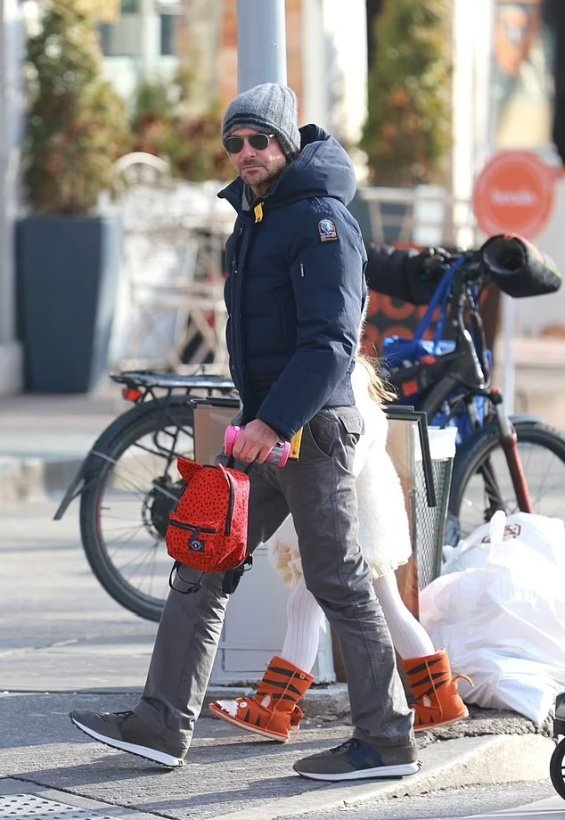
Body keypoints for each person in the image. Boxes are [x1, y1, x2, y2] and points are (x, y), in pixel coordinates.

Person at [69, 82, 420, 782]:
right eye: (234, 142)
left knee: (337, 579)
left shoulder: (320, 219)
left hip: (311, 429)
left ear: (287, 143)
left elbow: (328, 342)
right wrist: (258, 420)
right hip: (268, 431)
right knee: (203, 562)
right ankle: (161, 724)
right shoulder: (257, 215)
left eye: (258, 139)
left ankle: (385, 738)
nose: (245, 152)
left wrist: (272, 420)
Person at [209, 355, 471, 742]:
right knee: (387, 608)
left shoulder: (336, 388)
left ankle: (274, 708)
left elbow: (342, 459)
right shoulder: (348, 382)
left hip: (351, 520)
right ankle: (439, 696)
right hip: (366, 518)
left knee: (304, 606)